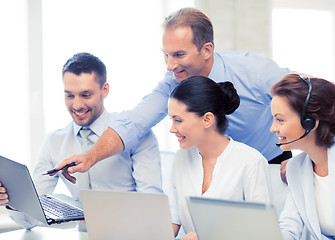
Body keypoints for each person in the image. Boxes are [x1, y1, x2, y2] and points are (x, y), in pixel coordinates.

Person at [55, 7, 291, 183]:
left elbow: (313, 99)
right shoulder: (173, 82)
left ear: (206, 50)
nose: (170, 65)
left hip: (270, 165)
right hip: (213, 171)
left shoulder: (255, 72)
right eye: (166, 55)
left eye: (178, 55)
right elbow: (134, 122)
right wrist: (91, 156)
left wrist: (304, 160)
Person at [0, 52, 162, 229]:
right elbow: (30, 219)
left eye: (86, 95)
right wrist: (15, 202)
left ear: (104, 90)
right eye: (69, 95)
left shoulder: (135, 133)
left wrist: (105, 217)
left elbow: (153, 208)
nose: (77, 105)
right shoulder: (54, 142)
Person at [168, 76, 271, 239]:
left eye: (178, 120)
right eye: (171, 120)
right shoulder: (181, 158)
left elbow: (262, 233)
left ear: (207, 119)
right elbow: (172, 219)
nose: (172, 129)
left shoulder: (251, 162)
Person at [270, 73, 335, 240]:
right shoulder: (295, 167)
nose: (273, 128)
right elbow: (289, 226)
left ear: (310, 122)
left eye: (280, 120)